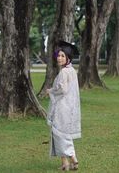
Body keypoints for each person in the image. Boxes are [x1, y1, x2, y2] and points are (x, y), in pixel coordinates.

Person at [46, 40, 81, 171]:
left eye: (62, 56)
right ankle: (65, 164)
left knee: (60, 134)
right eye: (58, 55)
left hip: (62, 109)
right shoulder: (71, 70)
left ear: (68, 58)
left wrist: (51, 91)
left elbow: (63, 90)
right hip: (69, 108)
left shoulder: (64, 72)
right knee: (60, 134)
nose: (59, 58)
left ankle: (73, 158)